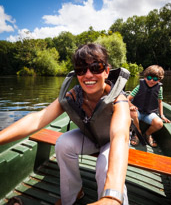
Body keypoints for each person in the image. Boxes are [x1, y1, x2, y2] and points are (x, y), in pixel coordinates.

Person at [0, 43, 131, 205]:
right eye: (81, 69)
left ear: (106, 71)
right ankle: (73, 195)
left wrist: (112, 197)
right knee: (63, 143)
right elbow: (38, 118)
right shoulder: (73, 96)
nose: (88, 75)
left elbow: (120, 136)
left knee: (104, 166)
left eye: (96, 67)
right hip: (90, 137)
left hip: (111, 142)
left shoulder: (118, 98)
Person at [127, 65, 171, 147]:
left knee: (159, 124)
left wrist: (162, 115)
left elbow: (160, 102)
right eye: (149, 77)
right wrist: (132, 106)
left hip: (149, 113)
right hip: (138, 112)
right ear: (145, 77)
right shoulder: (140, 86)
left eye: (155, 79)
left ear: (159, 80)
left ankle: (147, 134)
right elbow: (127, 99)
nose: (151, 81)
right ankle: (138, 134)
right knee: (132, 113)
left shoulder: (159, 88)